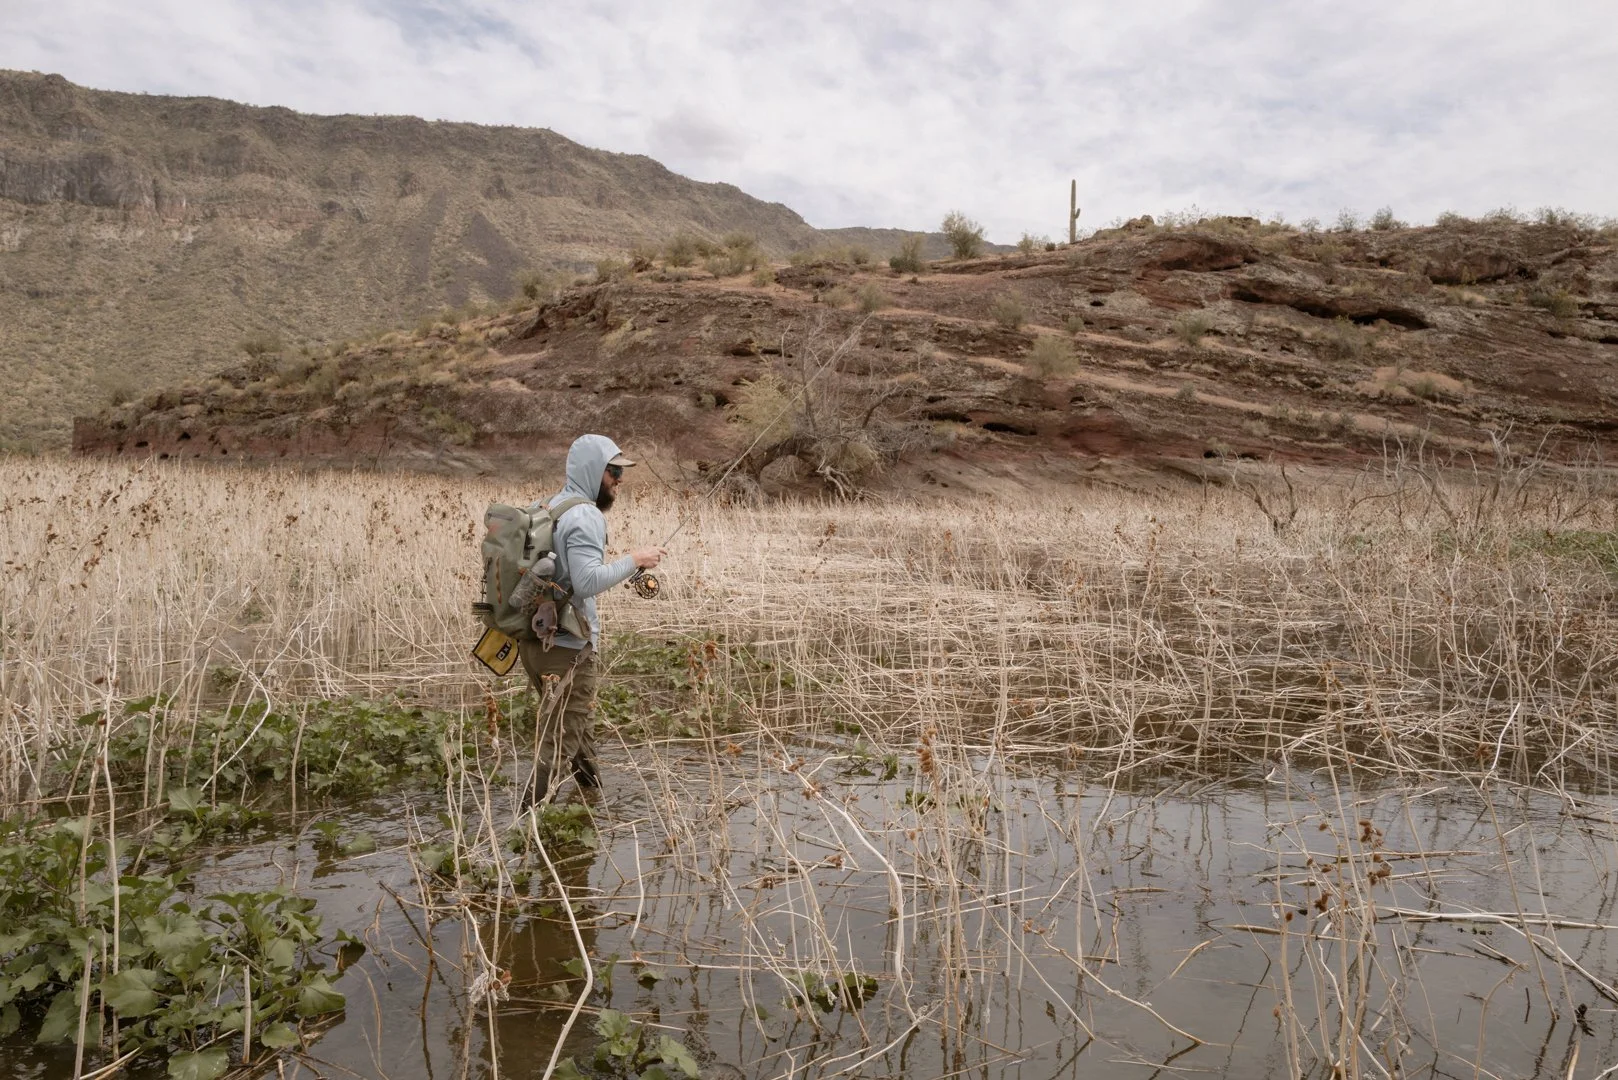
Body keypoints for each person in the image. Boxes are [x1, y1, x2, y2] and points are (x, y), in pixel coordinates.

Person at [521, 433, 665, 807]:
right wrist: (636, 559)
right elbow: (586, 582)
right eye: (614, 470)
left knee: (576, 728)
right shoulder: (585, 515)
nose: (620, 479)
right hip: (568, 649)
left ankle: (590, 798)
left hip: (536, 644)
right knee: (560, 742)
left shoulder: (551, 504)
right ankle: (526, 829)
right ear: (593, 470)